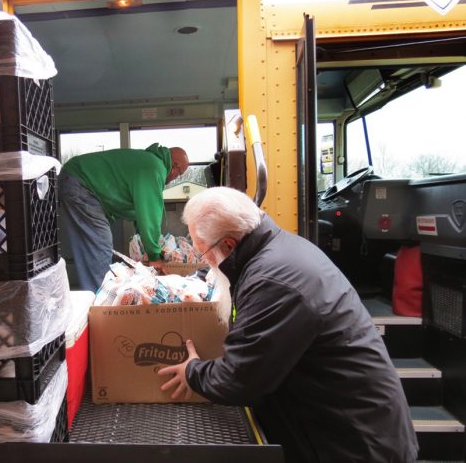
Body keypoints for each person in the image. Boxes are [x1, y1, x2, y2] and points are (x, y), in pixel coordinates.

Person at [157, 186, 418, 463]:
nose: (206, 263)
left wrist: (193, 371)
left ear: (229, 245)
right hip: (341, 428)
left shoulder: (273, 282)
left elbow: (239, 379)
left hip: (355, 444)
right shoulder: (273, 251)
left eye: (204, 253)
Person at [58, 143, 189, 292]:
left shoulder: (149, 163)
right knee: (100, 244)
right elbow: (149, 213)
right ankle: (102, 303)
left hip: (77, 179)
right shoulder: (154, 168)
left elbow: (139, 212)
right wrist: (154, 256)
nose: (176, 178)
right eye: (180, 174)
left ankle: (95, 294)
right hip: (80, 182)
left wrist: (148, 246)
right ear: (175, 166)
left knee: (94, 245)